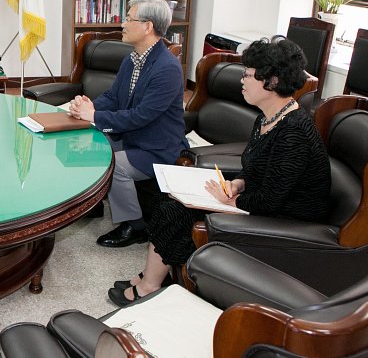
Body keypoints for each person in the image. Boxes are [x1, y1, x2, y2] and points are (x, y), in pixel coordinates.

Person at [108, 37, 331, 307]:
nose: (242, 80)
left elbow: (272, 199)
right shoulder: (267, 117)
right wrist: (237, 183)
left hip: (286, 218)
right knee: (172, 200)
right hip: (263, 201)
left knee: (175, 210)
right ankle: (155, 277)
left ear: (272, 82)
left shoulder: (294, 132)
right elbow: (259, 171)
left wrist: (229, 201)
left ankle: (149, 286)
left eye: (248, 75)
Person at [68, 0, 187, 247]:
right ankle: (92, 203)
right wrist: (88, 107)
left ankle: (135, 225)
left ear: (148, 26)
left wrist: (95, 117)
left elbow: (141, 116)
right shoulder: (131, 59)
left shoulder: (167, 68)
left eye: (129, 19)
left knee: (115, 164)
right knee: (87, 143)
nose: (122, 24)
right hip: (133, 137)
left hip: (157, 147)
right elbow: (113, 97)